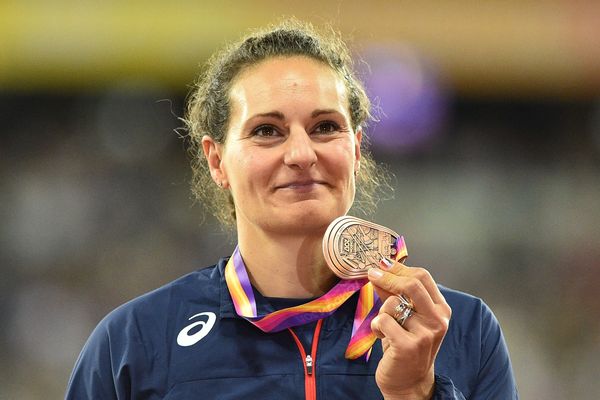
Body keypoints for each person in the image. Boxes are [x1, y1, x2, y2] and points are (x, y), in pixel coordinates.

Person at [65, 19, 518, 399]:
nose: (302, 153)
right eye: (266, 131)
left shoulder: (458, 330)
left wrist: (417, 392)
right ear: (217, 160)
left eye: (325, 126)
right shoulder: (135, 342)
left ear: (356, 151)